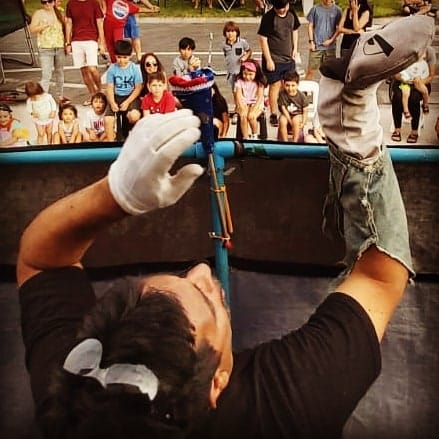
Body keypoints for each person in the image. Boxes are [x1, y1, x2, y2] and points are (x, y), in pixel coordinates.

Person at [16, 15, 433, 439]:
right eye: (205, 296)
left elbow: (43, 263)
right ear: (216, 385)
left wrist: (119, 192)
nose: (201, 269)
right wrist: (351, 123)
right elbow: (380, 277)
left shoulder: (77, 395)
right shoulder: (284, 409)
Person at [257, 0, 300, 128]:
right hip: (274, 59)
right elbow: (263, 39)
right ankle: (274, 113)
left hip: (288, 58)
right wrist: (268, 59)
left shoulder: (291, 13)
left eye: (284, 7)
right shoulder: (268, 17)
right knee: (275, 85)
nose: (282, 10)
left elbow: (295, 30)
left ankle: (288, 111)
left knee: (288, 85)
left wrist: (295, 48)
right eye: (278, 8)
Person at [390, 44, 436, 143]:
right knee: (397, 97)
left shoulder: (428, 52)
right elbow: (396, 73)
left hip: (420, 83)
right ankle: (397, 129)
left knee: (414, 98)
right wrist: (403, 79)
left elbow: (431, 76)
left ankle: (414, 131)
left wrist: (419, 82)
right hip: (403, 82)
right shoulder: (403, 49)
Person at [29, 0, 70, 105]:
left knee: (59, 72)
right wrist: (44, 26)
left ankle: (60, 96)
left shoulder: (59, 12)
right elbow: (32, 29)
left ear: (54, 2)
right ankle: (44, 98)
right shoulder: (39, 13)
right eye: (44, 2)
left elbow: (66, 28)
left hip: (59, 47)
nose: (47, 4)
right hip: (45, 48)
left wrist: (67, 43)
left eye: (50, 1)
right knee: (46, 74)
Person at [65, 0, 106, 106]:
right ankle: (93, 95)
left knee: (92, 68)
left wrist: (102, 43)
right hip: (76, 40)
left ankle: (100, 91)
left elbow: (100, 23)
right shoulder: (71, 4)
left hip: (91, 39)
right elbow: (69, 23)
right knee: (83, 70)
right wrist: (68, 43)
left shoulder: (94, 3)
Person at [105, 39, 143, 141]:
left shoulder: (135, 68)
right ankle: (111, 145)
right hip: (116, 96)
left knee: (134, 116)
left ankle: (133, 139)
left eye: (125, 57)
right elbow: (109, 87)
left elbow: (138, 87)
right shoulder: (112, 69)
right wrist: (112, 102)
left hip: (130, 96)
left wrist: (127, 102)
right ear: (115, 56)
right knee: (108, 120)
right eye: (119, 57)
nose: (121, 60)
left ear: (130, 56)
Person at [305, 0, 342, 80]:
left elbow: (339, 28)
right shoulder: (315, 9)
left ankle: (328, 88)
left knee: (330, 73)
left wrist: (331, 40)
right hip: (316, 46)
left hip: (330, 48)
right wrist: (311, 42)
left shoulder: (337, 10)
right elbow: (310, 26)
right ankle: (306, 87)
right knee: (311, 71)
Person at [233, 59, 267, 140]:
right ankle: (245, 137)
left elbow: (260, 97)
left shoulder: (259, 82)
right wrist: (242, 107)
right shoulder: (239, 81)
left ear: (256, 73)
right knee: (243, 116)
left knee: (251, 116)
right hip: (243, 102)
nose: (247, 77)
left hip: (256, 103)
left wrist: (254, 108)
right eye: (245, 74)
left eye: (250, 74)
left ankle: (254, 135)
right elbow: (238, 96)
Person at [277, 70, 309, 142]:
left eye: (293, 85)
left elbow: (305, 111)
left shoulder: (302, 96)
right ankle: (285, 141)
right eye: (287, 85)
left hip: (298, 114)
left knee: (295, 120)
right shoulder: (282, 93)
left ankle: (295, 141)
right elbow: (283, 109)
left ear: (297, 84)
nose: (290, 88)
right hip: (286, 114)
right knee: (282, 120)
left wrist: (303, 122)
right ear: (284, 84)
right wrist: (289, 121)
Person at [398, 53, 430, 119]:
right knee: (405, 93)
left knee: (425, 91)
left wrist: (420, 78)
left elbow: (426, 73)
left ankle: (425, 104)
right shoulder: (409, 62)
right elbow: (403, 71)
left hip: (418, 82)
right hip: (407, 82)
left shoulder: (424, 64)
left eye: (423, 53)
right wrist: (406, 78)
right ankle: (406, 110)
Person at [222, 21, 252, 91]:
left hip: (241, 72)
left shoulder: (242, 42)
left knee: (241, 90)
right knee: (234, 91)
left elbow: (249, 51)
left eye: (233, 31)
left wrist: (245, 57)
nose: (230, 34)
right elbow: (226, 55)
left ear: (237, 32)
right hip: (231, 72)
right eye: (228, 31)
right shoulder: (224, 45)